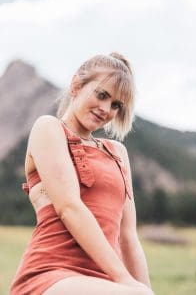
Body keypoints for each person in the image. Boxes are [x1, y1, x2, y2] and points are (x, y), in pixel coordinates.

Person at [10, 52, 154, 295]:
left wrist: (142, 289)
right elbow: (69, 207)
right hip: (51, 273)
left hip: (103, 281)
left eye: (116, 105)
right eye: (102, 95)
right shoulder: (49, 128)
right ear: (77, 84)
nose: (106, 109)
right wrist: (123, 279)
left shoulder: (117, 151)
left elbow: (127, 237)